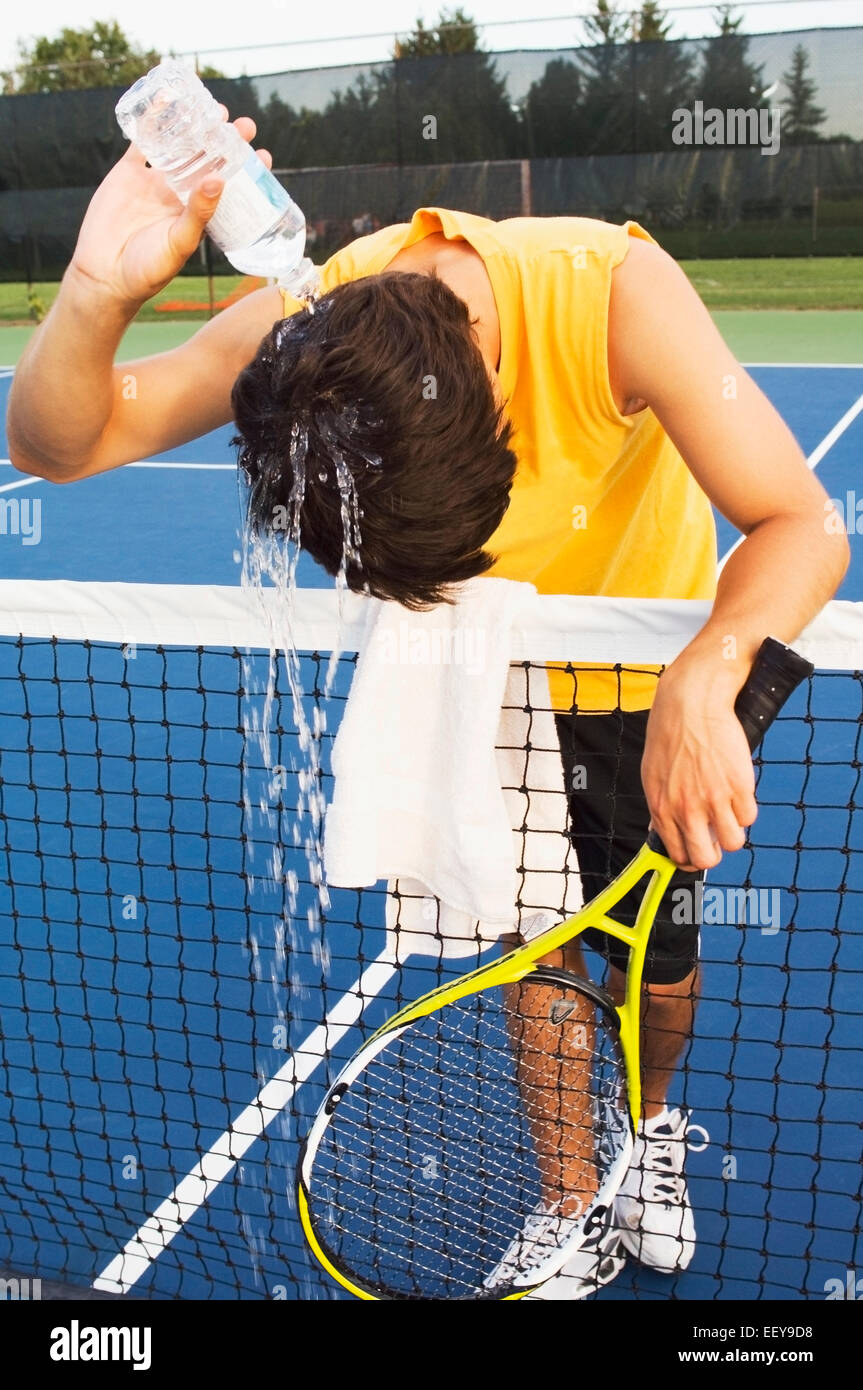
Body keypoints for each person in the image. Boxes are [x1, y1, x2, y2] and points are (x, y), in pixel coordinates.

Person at [8, 111, 848, 1299]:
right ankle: (571, 1197)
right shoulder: (321, 318)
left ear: (501, 408)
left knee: (655, 960)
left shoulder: (613, 293)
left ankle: (648, 1130)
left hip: (633, 675)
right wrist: (95, 289)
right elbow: (55, 444)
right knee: (540, 950)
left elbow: (802, 523)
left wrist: (708, 670)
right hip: (480, 679)